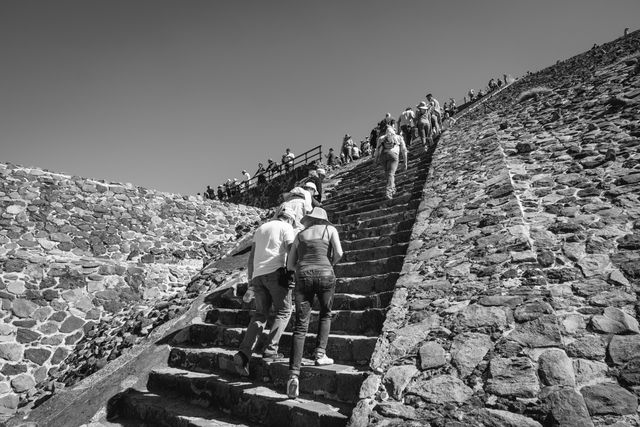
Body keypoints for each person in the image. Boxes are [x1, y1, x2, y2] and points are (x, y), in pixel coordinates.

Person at [286, 207, 343, 399]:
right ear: (324, 220)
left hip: (302, 276)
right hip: (326, 274)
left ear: (309, 219)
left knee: (300, 326)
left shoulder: (300, 235)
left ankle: (293, 375)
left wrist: (301, 268)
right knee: (326, 314)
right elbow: (339, 253)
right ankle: (320, 354)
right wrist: (328, 265)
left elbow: (289, 265)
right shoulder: (330, 230)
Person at [233, 207, 297, 376]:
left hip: (258, 276)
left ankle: (244, 353)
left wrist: (251, 281)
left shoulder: (260, 229)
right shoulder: (286, 227)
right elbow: (291, 250)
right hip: (276, 273)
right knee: (284, 311)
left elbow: (251, 258)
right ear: (290, 219)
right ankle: (270, 349)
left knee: (260, 314)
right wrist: (292, 273)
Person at [375, 124, 407, 200]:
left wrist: (375, 160)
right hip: (393, 155)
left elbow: (377, 150)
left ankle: (392, 188)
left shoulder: (381, 138)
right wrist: (405, 162)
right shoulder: (398, 137)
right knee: (391, 173)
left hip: (382, 156)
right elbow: (404, 150)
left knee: (388, 173)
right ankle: (389, 192)